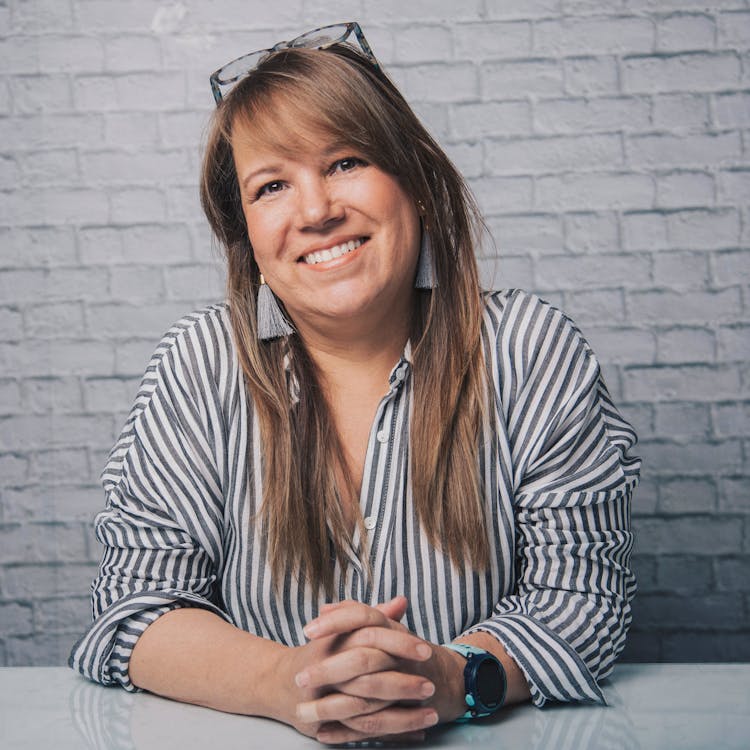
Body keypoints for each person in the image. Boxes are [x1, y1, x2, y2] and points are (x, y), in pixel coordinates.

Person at [69, 22, 640, 746]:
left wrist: (450, 679)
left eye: (345, 162)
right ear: (247, 237)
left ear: (420, 184)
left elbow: (583, 603)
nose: (315, 212)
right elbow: (132, 612)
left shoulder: (531, 350)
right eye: (272, 185)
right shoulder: (198, 364)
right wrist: (291, 684)